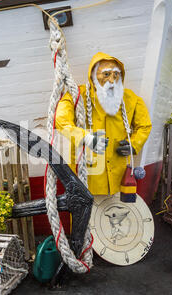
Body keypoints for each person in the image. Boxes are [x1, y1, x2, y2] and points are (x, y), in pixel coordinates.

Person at [55, 52, 152, 195]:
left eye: (116, 75)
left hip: (120, 180)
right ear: (93, 76)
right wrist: (85, 137)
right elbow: (61, 121)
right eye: (106, 75)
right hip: (86, 177)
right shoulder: (76, 97)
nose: (112, 81)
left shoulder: (131, 99)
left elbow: (144, 126)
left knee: (119, 215)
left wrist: (134, 144)